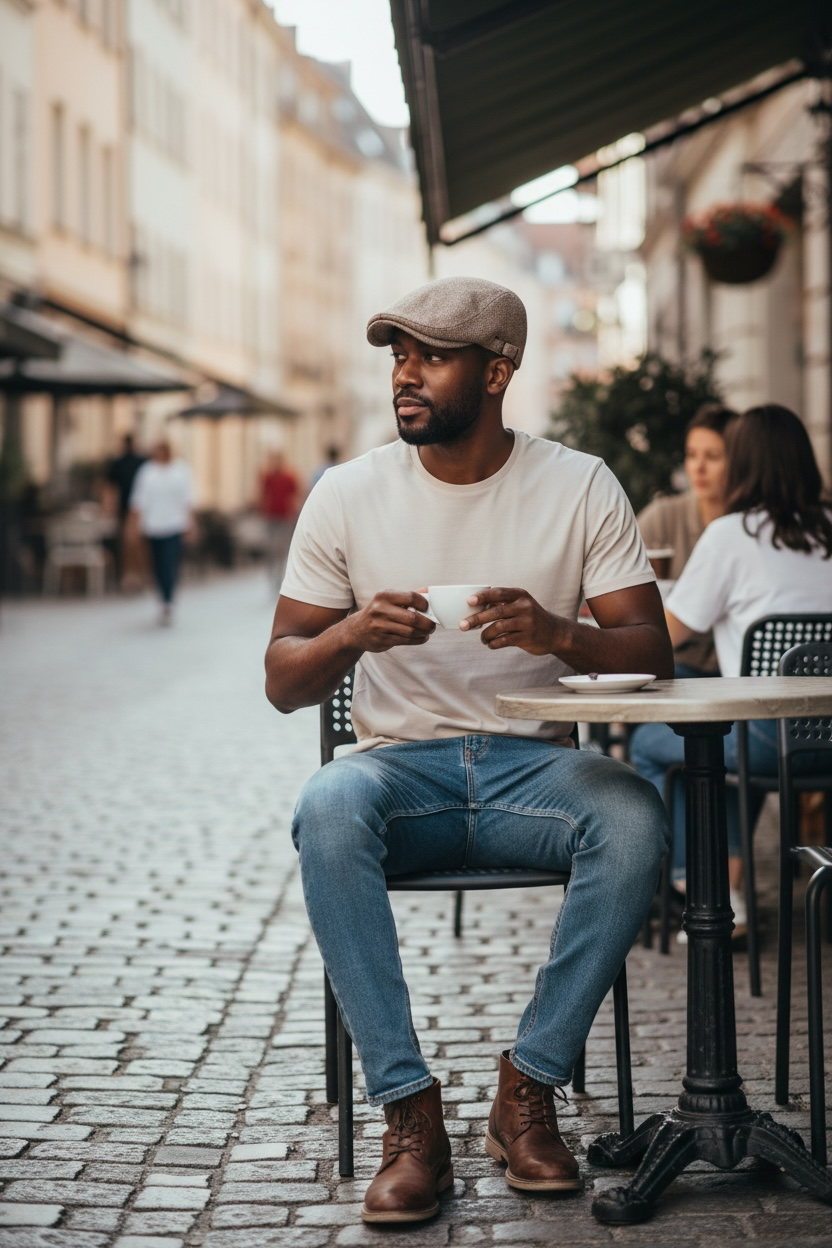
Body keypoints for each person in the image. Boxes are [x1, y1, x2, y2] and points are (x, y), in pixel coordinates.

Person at [264, 276, 672, 1225]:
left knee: (633, 815)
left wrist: (558, 634)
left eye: (431, 357)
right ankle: (410, 1117)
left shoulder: (578, 484)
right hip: (398, 771)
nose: (404, 375)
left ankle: (527, 1087)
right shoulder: (348, 494)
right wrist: (352, 634)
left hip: (538, 772)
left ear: (497, 372)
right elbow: (283, 679)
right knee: (326, 807)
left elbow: (652, 651)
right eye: (398, 356)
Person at [630, 404, 832, 930]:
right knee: (724, 733)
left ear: (742, 464)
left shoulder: (731, 534)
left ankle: (688, 887)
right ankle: (722, 887)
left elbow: (664, 636)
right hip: (825, 738)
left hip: (767, 738)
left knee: (652, 742)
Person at [637, 404, 738, 676]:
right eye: (692, 455)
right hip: (676, 663)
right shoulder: (662, 516)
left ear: (740, 461)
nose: (698, 468)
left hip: (738, 668)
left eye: (713, 456)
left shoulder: (751, 526)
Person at [129, 439, 194, 625]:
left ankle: (169, 599)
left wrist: (191, 522)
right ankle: (163, 599)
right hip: (153, 526)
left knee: (169, 561)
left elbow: (187, 498)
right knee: (157, 564)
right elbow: (138, 500)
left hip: (174, 524)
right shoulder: (147, 472)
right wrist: (134, 524)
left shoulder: (180, 470)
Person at [106, 433, 147, 590]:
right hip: (137, 509)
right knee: (137, 543)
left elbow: (110, 489)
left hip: (128, 509)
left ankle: (131, 574)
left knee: (128, 544)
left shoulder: (119, 463)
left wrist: (110, 508)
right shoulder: (142, 462)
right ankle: (137, 574)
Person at [259, 451, 300, 590]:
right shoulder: (268, 477)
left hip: (284, 516)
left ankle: (280, 575)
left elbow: (295, 495)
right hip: (271, 516)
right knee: (271, 547)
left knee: (282, 548)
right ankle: (271, 573)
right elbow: (262, 494)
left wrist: (294, 512)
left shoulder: (289, 477)